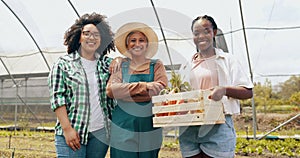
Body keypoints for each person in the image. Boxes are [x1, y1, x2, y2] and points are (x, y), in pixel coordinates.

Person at [178, 15, 254, 158]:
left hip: (218, 125)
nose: (201, 36)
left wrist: (224, 90)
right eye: (196, 33)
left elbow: (247, 92)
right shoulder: (188, 65)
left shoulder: (228, 60)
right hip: (189, 127)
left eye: (206, 31)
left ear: (214, 32)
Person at [48, 12, 117, 158]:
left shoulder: (106, 64)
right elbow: (57, 99)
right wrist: (67, 129)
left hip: (101, 134)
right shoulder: (63, 64)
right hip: (73, 129)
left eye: (97, 34)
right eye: (87, 33)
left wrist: (119, 60)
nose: (91, 38)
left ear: (102, 39)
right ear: (79, 37)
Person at [106, 22, 168, 158]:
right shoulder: (121, 65)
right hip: (123, 124)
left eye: (142, 40)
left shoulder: (156, 65)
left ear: (147, 45)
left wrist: (126, 94)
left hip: (150, 123)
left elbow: (160, 90)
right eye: (133, 41)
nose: (137, 43)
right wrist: (145, 86)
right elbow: (111, 91)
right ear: (128, 45)